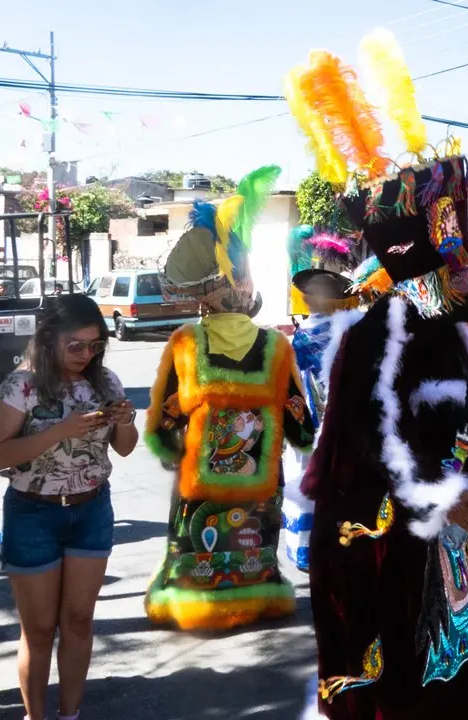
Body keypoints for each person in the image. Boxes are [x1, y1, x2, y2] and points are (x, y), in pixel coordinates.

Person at [285, 40, 468, 719]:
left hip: (446, 547)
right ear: (420, 266)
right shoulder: (374, 336)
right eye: (451, 261)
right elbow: (369, 443)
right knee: (394, 685)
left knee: (454, 680)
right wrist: (444, 491)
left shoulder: (455, 333)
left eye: (461, 259)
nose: (467, 272)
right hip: (377, 545)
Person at [143, 167, 316, 632]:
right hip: (260, 480)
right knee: (253, 536)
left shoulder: (185, 342)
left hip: (201, 480)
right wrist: (297, 436)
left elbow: (163, 420)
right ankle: (258, 595)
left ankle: (197, 599)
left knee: (199, 539)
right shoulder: (277, 348)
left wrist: (175, 451)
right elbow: (300, 421)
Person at [0, 293, 136, 720]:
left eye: (95, 345)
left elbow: (124, 450)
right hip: (33, 513)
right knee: (37, 630)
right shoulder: (21, 384)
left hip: (91, 510)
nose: (86, 354)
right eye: (76, 345)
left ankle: (69, 714)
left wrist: (125, 423)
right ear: (49, 337)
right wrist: (62, 430)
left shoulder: (105, 382)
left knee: (78, 622)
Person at [283, 267, 361, 570]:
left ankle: (304, 550)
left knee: (304, 479)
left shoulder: (303, 336)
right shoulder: (352, 329)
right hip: (347, 421)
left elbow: (295, 384)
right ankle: (343, 541)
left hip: (312, 422)